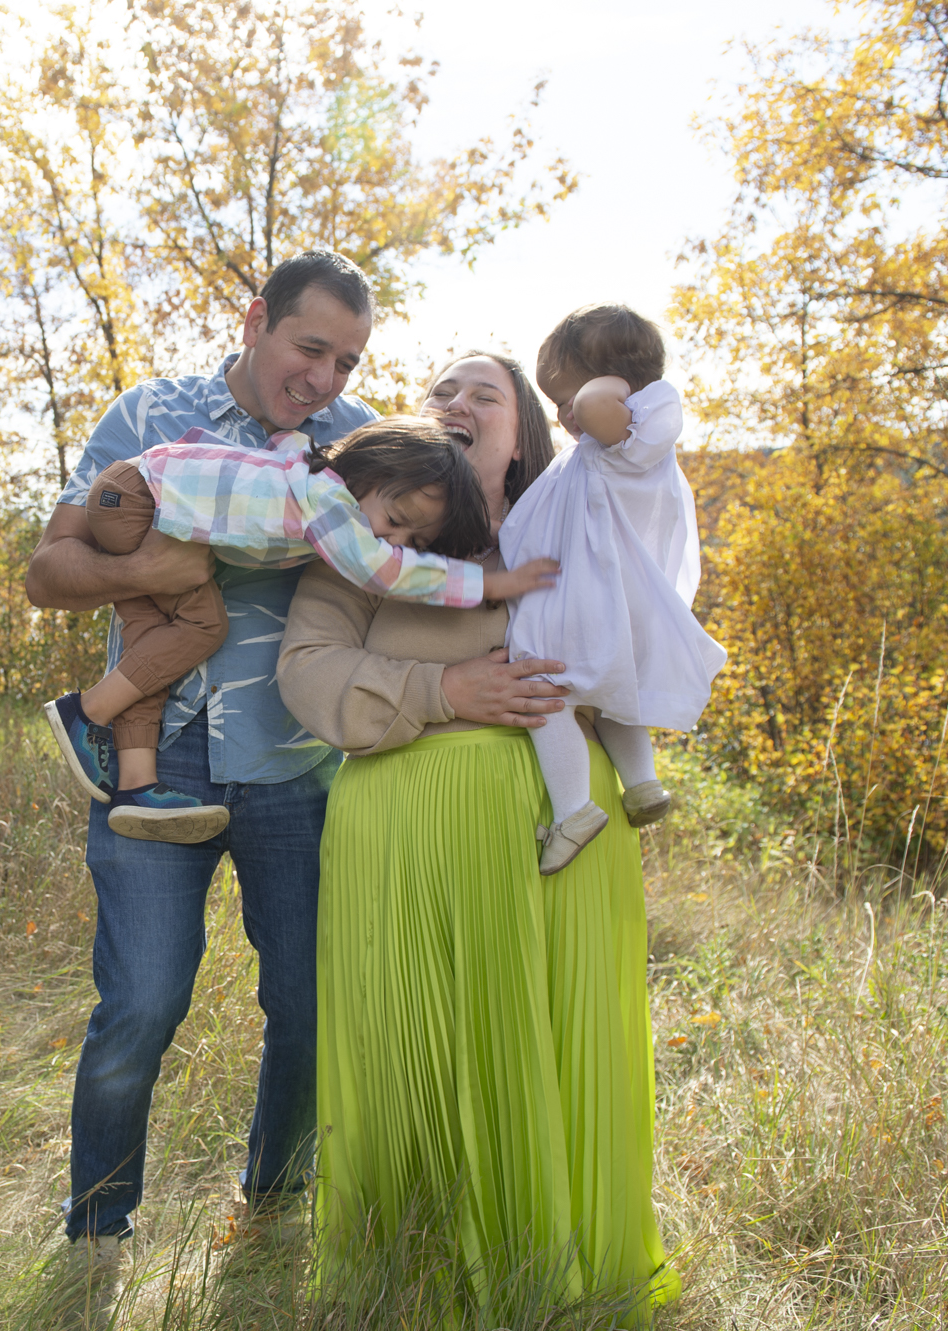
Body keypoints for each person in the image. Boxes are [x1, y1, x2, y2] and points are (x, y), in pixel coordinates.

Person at [23, 256, 569, 1287]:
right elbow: (47, 566)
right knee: (140, 1000)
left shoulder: (360, 441)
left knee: (311, 1005)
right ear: (254, 320)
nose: (322, 377)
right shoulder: (151, 414)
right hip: (157, 761)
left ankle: (270, 1208)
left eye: (346, 358)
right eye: (308, 347)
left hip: (302, 762)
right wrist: (167, 567)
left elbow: (437, 547)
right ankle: (96, 1231)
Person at [278, 351, 680, 1323]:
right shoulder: (367, 531)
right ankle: (408, 1264)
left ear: (521, 428)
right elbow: (308, 669)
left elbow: (646, 565)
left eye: (481, 392)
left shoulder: (582, 517)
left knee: (559, 1027)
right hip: (406, 826)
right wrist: (444, 689)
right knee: (415, 1040)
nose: (454, 402)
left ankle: (571, 1265)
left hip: (566, 830)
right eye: (439, 390)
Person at [44, 417, 560, 844]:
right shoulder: (330, 503)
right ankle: (85, 712)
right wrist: (490, 580)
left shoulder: (305, 466)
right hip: (139, 500)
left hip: (132, 490)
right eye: (396, 517)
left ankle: (136, 785)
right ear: (367, 470)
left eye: (412, 536)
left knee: (153, 638)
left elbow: (276, 448)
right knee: (202, 627)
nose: (393, 538)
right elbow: (380, 569)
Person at [499, 305, 728, 873]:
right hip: (613, 601)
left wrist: (605, 384)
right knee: (614, 693)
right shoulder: (613, 443)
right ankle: (642, 784)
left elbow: (601, 402)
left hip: (594, 598)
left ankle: (574, 809)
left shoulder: (639, 430)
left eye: (566, 398)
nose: (564, 416)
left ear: (616, 381)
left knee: (542, 682)